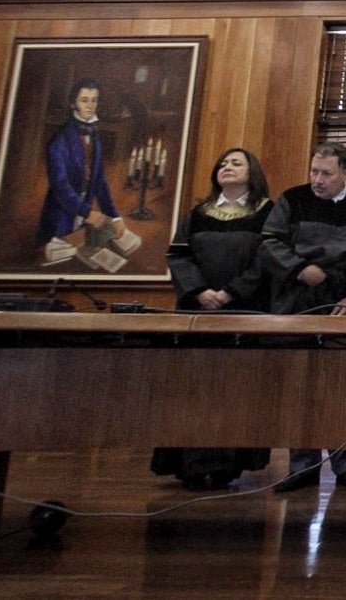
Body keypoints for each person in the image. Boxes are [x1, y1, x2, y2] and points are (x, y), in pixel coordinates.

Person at [152, 147, 273, 490]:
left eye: (236, 163)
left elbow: (268, 259)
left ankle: (229, 465)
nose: (227, 167)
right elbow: (178, 255)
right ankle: (189, 464)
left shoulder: (267, 212)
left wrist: (231, 292)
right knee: (192, 389)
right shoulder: (198, 212)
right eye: (223, 163)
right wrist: (200, 291)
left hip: (244, 314)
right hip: (197, 316)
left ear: (253, 171)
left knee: (235, 390)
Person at [260, 142, 346, 492]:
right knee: (301, 386)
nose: (317, 180)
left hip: (344, 304)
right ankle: (301, 467)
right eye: (314, 171)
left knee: (345, 388)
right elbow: (269, 241)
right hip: (298, 300)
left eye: (326, 173)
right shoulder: (292, 199)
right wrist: (299, 268)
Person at [37, 77, 125, 264]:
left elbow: (99, 180)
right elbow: (60, 186)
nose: (90, 105)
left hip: (84, 217)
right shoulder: (59, 141)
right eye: (84, 100)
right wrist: (87, 212)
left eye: (94, 100)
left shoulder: (96, 139)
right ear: (73, 103)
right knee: (61, 262)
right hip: (61, 214)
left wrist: (115, 216)